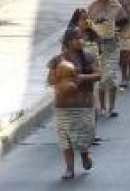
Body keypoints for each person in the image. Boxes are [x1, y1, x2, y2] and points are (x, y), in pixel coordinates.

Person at [47, 26, 101, 180]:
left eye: (81, 37)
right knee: (65, 139)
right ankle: (69, 168)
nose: (80, 41)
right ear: (68, 42)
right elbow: (50, 80)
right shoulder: (57, 60)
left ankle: (84, 154)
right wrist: (62, 76)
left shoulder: (89, 56)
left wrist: (82, 77)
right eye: (76, 38)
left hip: (83, 105)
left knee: (82, 137)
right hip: (63, 106)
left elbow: (99, 74)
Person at [87, 0, 125, 117]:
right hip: (98, 46)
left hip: (113, 45)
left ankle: (112, 107)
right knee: (101, 79)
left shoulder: (115, 5)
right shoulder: (92, 7)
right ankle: (102, 107)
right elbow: (87, 27)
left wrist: (117, 30)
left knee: (112, 78)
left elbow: (125, 21)